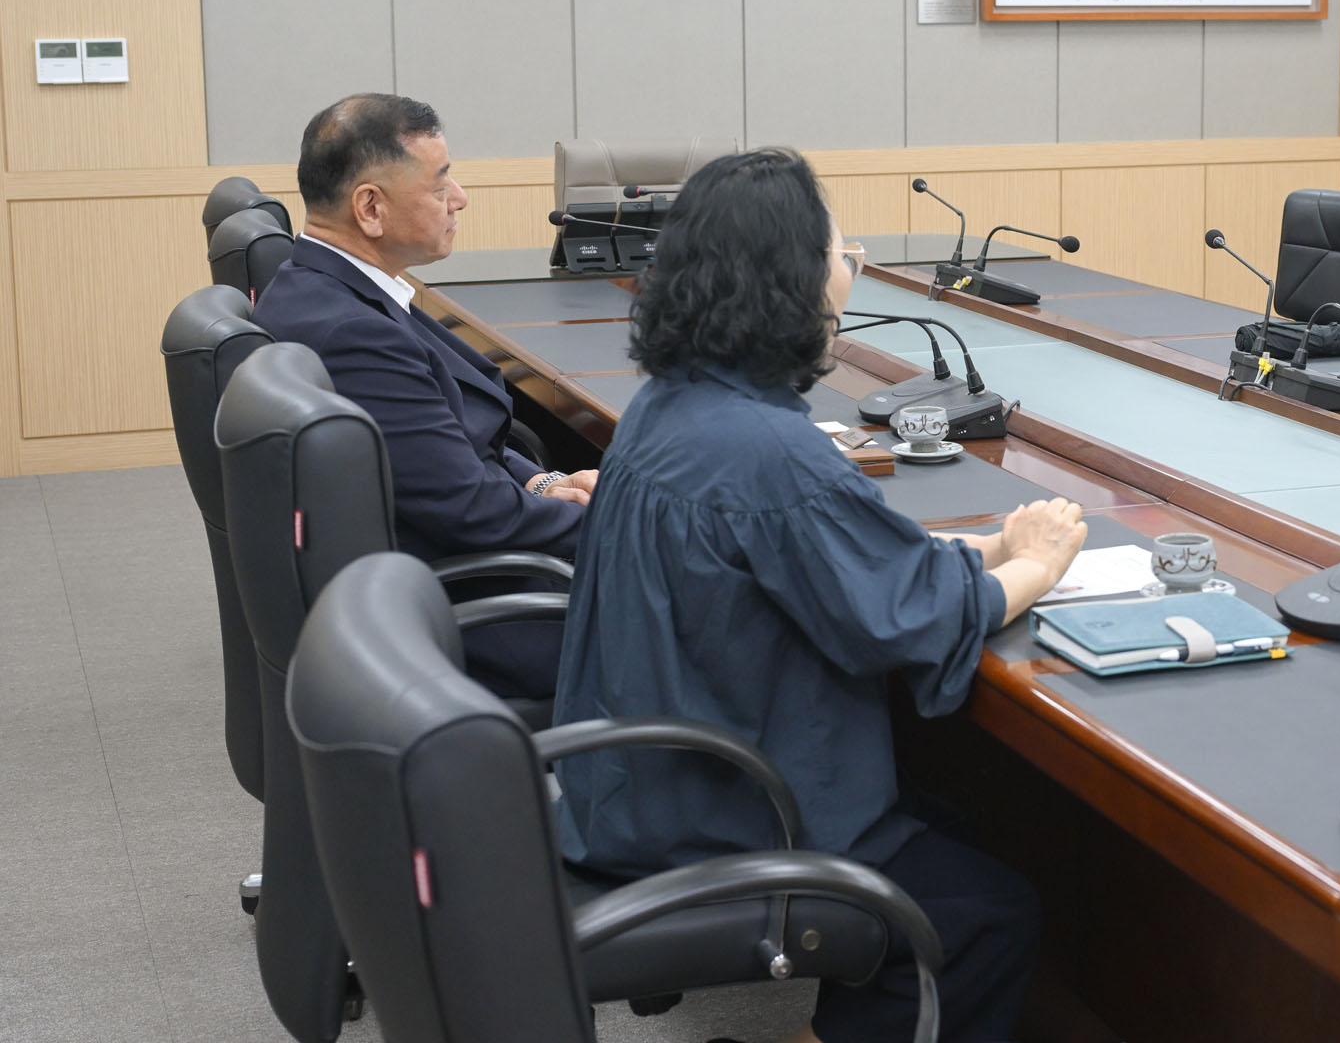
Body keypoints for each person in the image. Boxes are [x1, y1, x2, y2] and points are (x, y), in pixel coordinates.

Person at [554, 148, 1085, 1043]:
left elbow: (840, 564)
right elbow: (909, 619)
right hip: (721, 813)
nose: (851, 272)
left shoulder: (669, 407)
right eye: (843, 255)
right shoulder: (772, 454)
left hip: (636, 786)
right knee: (984, 915)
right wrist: (1038, 563)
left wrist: (989, 545)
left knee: (957, 822)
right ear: (789, 282)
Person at [253, 93, 590, 690]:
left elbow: (452, 443)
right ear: (371, 207)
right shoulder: (354, 336)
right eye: (439, 185)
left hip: (451, 575)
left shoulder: (328, 288)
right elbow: (472, 512)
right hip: (474, 615)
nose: (459, 198)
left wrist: (542, 483)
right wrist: (629, 522)